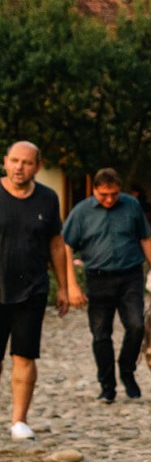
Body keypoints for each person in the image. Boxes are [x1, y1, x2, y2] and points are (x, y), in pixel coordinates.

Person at [62, 168, 151, 403]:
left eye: (114, 194)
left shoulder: (131, 206)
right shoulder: (82, 212)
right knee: (100, 334)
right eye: (104, 195)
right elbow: (65, 246)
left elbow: (144, 238)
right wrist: (71, 285)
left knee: (136, 326)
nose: (109, 199)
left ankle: (127, 370)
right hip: (98, 279)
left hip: (130, 276)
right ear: (95, 190)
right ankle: (107, 385)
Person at [1, 141, 78, 439]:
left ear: (38, 165)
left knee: (24, 355)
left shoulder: (47, 198)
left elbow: (56, 244)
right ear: (5, 162)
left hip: (31, 289)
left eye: (27, 162)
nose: (19, 167)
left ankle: (19, 420)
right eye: (14, 161)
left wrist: (64, 286)